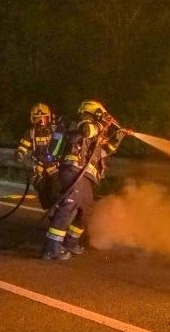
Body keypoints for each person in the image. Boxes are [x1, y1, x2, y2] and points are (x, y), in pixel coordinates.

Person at [41, 99, 131, 261]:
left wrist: (117, 137)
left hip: (87, 177)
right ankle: (51, 248)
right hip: (72, 171)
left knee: (87, 211)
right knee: (69, 206)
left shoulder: (95, 134)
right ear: (94, 113)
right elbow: (88, 129)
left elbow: (102, 153)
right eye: (101, 116)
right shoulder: (78, 124)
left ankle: (70, 243)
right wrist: (103, 125)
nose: (103, 119)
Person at [14, 103, 63, 209]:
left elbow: (61, 145)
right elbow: (23, 146)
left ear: (48, 118)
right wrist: (19, 153)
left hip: (53, 167)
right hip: (39, 168)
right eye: (37, 119)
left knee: (56, 190)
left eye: (43, 118)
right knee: (41, 191)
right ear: (32, 119)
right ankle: (50, 212)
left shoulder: (55, 130)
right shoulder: (31, 132)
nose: (41, 121)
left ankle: (57, 212)